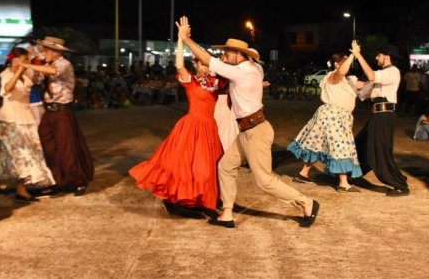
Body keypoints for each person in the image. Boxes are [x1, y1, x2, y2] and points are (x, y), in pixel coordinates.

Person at [177, 16, 319, 228]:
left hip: (256, 131)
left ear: (237, 54)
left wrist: (186, 40)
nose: (224, 56)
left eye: (226, 53)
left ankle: (306, 202)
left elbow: (207, 59)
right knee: (225, 167)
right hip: (245, 131)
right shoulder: (243, 71)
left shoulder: (242, 72)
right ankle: (227, 213)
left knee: (264, 181)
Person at [129, 35, 224, 213]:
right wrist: (181, 40)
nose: (205, 67)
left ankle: (199, 200)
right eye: (202, 64)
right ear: (196, 64)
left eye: (207, 64)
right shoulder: (191, 81)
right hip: (191, 127)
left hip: (209, 128)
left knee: (206, 169)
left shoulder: (215, 82)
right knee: (186, 167)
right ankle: (179, 201)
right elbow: (179, 65)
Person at [20, 36, 94, 197]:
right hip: (49, 111)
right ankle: (59, 180)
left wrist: (27, 63)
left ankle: (78, 181)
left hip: (62, 111)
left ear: (54, 52)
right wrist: (34, 62)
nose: (43, 52)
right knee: (49, 146)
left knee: (66, 147)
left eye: (46, 50)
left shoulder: (64, 64)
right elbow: (36, 80)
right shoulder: (47, 65)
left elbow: (54, 71)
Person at [287, 52, 363, 192]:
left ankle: (303, 173)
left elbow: (365, 83)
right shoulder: (333, 76)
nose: (348, 64)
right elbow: (342, 71)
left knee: (317, 144)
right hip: (334, 115)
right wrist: (353, 54)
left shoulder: (348, 80)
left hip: (333, 116)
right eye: (345, 62)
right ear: (336, 64)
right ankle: (343, 183)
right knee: (341, 146)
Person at [0, 48, 56, 202]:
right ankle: (21, 189)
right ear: (15, 59)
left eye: (27, 59)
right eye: (24, 59)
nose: (27, 63)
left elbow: (44, 72)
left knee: (10, 154)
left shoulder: (28, 74)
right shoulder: (6, 74)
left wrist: (37, 55)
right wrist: (19, 71)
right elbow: (7, 89)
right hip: (9, 118)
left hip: (26, 116)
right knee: (23, 154)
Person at [351, 40, 410, 196]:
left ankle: (400, 185)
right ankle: (353, 175)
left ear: (387, 57)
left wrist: (358, 55)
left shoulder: (393, 71)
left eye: (379, 55)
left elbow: (371, 75)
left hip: (384, 116)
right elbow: (362, 92)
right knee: (360, 144)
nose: (376, 58)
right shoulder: (382, 75)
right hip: (376, 115)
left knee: (380, 151)